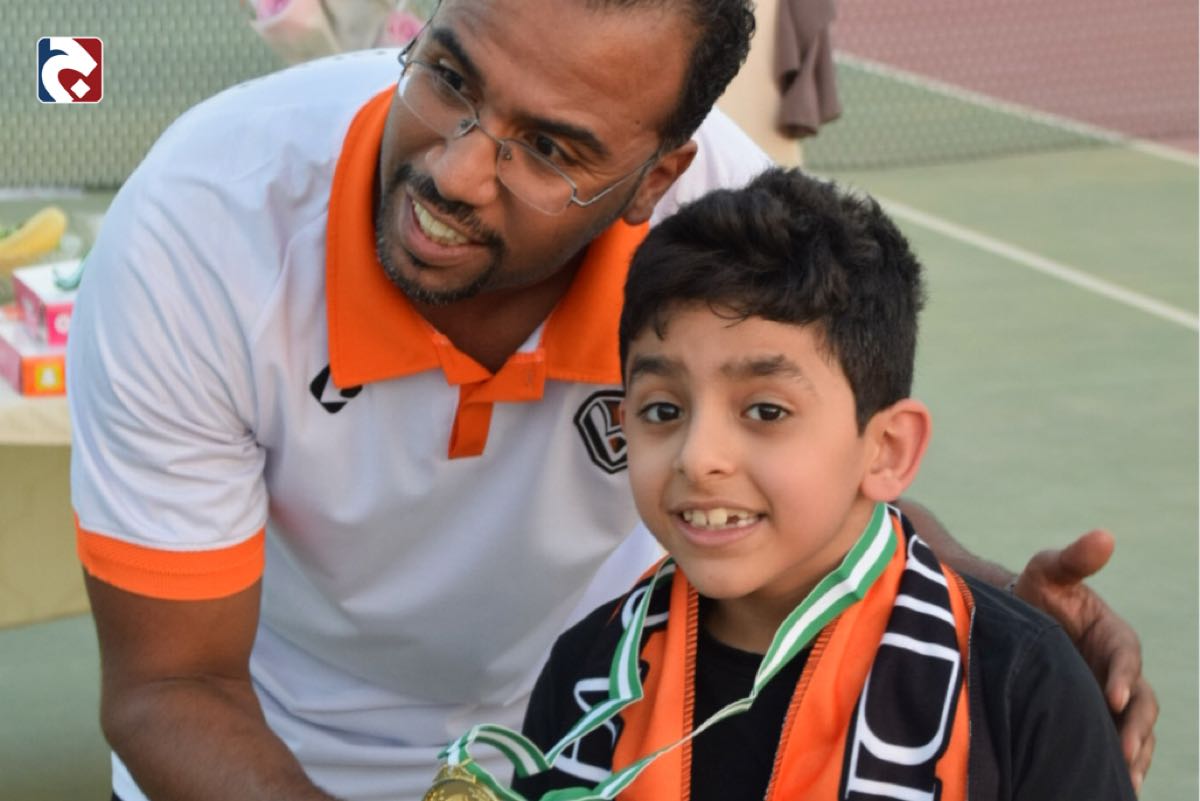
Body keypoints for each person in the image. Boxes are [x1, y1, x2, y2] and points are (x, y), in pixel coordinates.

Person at [66, 1, 1154, 799]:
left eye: (549, 149)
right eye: (449, 77)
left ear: (655, 180)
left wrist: (986, 598)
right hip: (270, 751)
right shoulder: (203, 230)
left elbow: (806, 474)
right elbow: (173, 688)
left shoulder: (719, 223)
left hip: (601, 735)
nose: (455, 172)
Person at [507, 167, 1136, 801]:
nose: (697, 458)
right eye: (663, 410)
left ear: (887, 450)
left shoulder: (1016, 686)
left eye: (766, 411)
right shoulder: (588, 675)